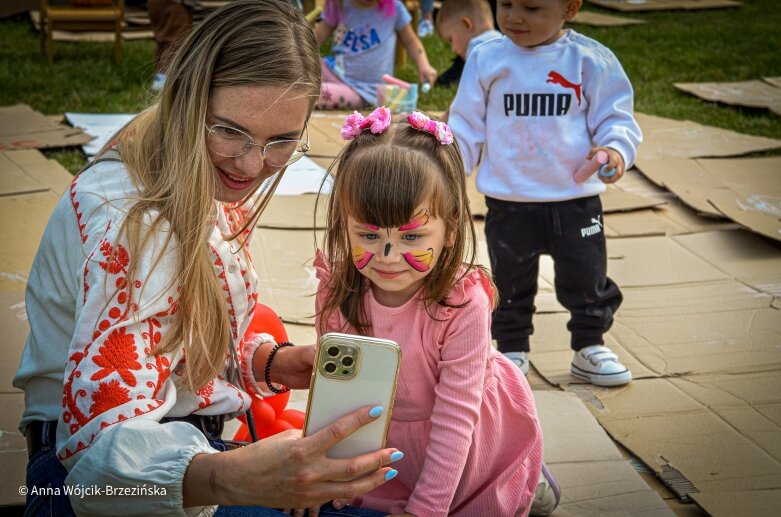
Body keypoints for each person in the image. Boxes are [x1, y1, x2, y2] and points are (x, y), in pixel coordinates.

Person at [13, 2, 403, 515]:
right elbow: (96, 468)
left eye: (282, 141)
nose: (251, 163)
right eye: (230, 131)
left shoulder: (193, 170)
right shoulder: (131, 219)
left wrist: (271, 363)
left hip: (182, 460)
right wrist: (228, 479)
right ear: (187, 98)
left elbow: (168, 346)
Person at [312, 107, 559, 516]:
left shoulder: (462, 303)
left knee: (486, 501)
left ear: (451, 229)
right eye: (369, 234)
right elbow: (337, 399)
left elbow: (456, 417)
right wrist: (326, 479)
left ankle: (526, 477)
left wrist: (426, 509)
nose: (388, 256)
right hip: (390, 442)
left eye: (412, 236)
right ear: (344, 223)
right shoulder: (337, 293)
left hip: (469, 441)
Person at [448, 0, 643, 385]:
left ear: (570, 9)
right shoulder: (487, 58)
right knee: (510, 281)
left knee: (587, 276)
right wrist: (449, 170)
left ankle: (589, 346)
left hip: (575, 199)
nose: (515, 17)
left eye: (533, 8)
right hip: (510, 201)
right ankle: (510, 351)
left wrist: (616, 149)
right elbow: (466, 123)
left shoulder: (590, 59)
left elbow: (615, 116)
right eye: (506, 4)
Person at [314, 0, 438, 109]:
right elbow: (316, 39)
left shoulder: (395, 7)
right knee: (301, 66)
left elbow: (411, 41)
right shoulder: (339, 4)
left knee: (311, 93)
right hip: (335, 72)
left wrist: (424, 65)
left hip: (364, 91)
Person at [146, 0, 196, 91]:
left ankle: (160, 85)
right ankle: (164, 88)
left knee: (165, 43)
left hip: (157, 3)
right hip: (174, 4)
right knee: (175, 44)